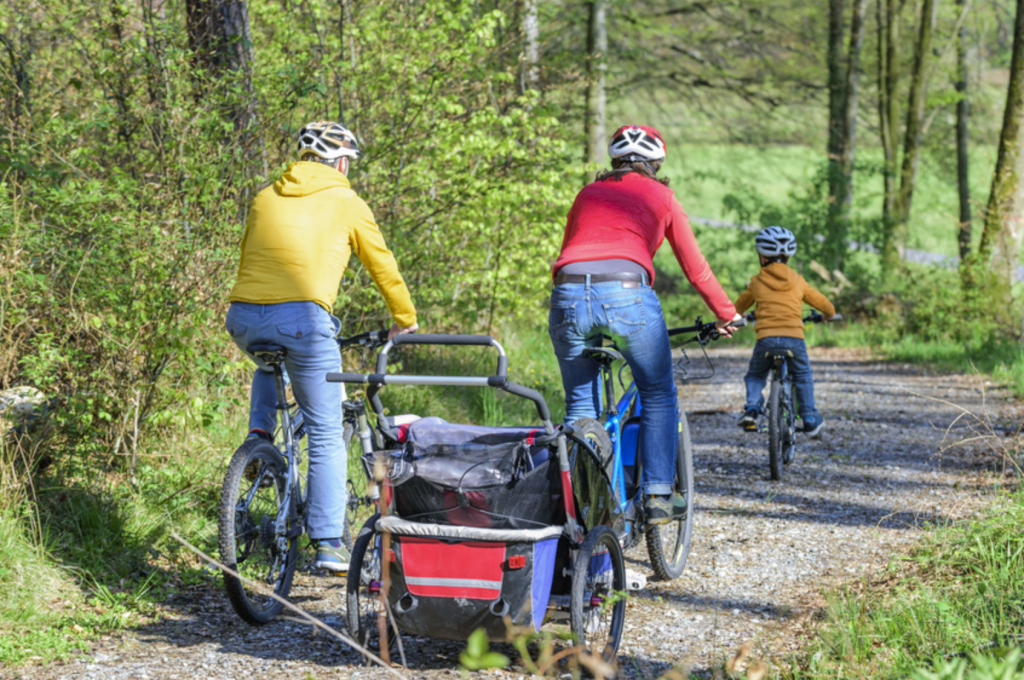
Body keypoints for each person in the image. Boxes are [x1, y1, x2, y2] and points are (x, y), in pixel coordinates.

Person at [226, 121, 419, 571]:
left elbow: (249, 256)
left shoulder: (264, 195)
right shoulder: (345, 200)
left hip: (243, 316)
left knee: (267, 363)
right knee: (328, 430)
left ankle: (258, 438)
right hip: (304, 320)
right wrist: (404, 320)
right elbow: (382, 265)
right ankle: (329, 541)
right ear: (341, 161)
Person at [549, 124, 741, 525]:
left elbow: (570, 246)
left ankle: (575, 507)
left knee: (581, 405)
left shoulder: (587, 193)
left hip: (568, 293)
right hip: (627, 293)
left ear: (614, 162)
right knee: (657, 392)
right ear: (656, 163)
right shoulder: (662, 195)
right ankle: (656, 495)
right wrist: (726, 313)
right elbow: (695, 267)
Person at [734, 226, 836, 437]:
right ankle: (808, 417)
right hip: (794, 340)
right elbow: (825, 305)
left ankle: (752, 408)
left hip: (766, 340)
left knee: (755, 374)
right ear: (788, 256)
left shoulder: (757, 281)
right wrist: (828, 314)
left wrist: (740, 316)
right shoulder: (797, 280)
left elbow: (737, 308)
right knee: (803, 375)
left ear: (762, 256)